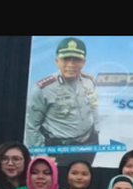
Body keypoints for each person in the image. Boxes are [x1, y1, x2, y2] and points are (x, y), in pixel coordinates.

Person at [24, 37, 99, 166]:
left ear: (83, 62)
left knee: (84, 182)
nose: (71, 64)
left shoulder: (89, 81)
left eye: (76, 60)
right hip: (59, 150)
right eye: (66, 59)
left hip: (88, 144)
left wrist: (96, 131)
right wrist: (41, 156)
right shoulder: (44, 88)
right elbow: (31, 126)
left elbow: (93, 106)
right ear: (57, 61)